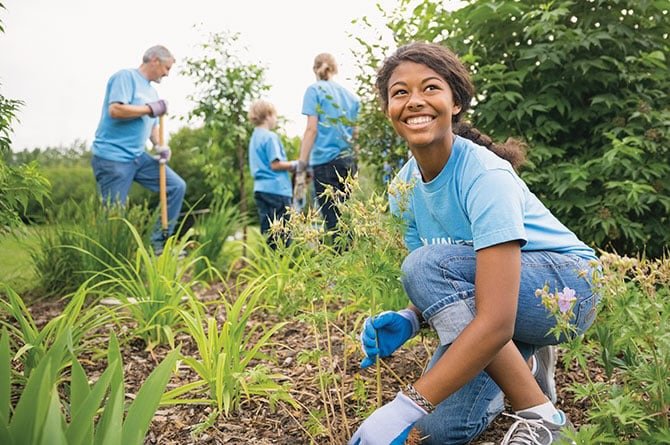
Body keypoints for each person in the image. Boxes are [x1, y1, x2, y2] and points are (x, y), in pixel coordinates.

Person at [350, 42, 601, 445]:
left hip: (567, 288)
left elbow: (487, 311)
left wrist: (403, 405)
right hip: (501, 296)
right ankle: (526, 359)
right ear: (388, 110)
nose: (415, 101)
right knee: (441, 428)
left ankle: (541, 417)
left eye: (430, 88)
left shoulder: (485, 175)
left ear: (456, 103)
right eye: (400, 92)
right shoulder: (404, 188)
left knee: (423, 267)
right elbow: (456, 288)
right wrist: (412, 317)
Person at [91, 45, 186, 256]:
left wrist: (161, 145)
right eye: (166, 68)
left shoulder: (152, 91)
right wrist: (150, 108)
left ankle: (159, 244)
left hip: (137, 156)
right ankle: (112, 262)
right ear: (154, 60)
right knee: (114, 215)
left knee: (176, 186)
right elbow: (115, 110)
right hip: (112, 157)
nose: (167, 73)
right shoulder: (125, 77)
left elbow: (151, 125)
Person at [295, 52, 360, 235]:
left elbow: (311, 129)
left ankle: (341, 261)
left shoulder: (314, 90)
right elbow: (356, 135)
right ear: (335, 69)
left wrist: (301, 164)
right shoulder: (352, 98)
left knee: (334, 224)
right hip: (349, 163)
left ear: (315, 69)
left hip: (325, 163)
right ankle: (354, 261)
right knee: (348, 220)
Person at [247, 99, 297, 248]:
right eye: (275, 115)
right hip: (277, 191)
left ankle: (270, 268)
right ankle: (282, 269)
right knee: (283, 236)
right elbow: (275, 164)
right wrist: (296, 164)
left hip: (261, 190)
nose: (276, 119)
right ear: (268, 115)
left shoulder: (254, 137)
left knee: (269, 235)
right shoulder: (270, 137)